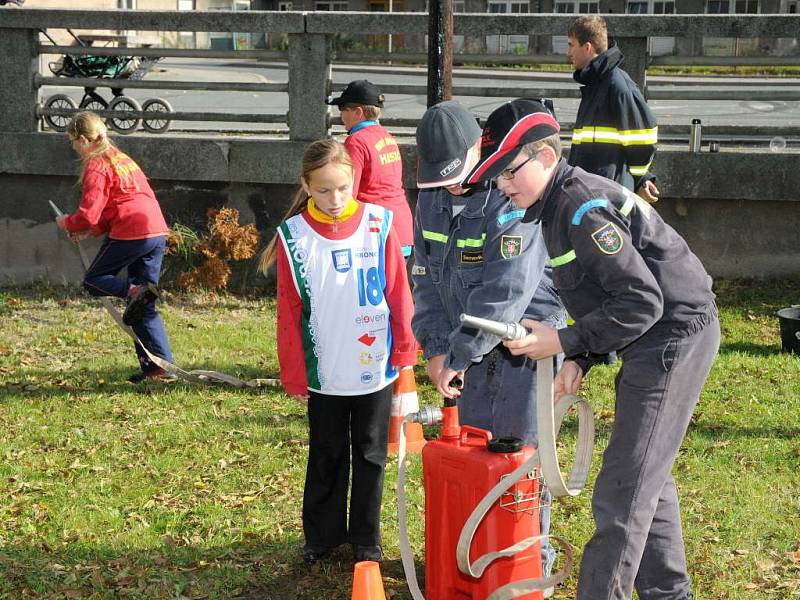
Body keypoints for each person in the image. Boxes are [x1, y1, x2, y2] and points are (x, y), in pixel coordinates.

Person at [465, 98, 720, 600]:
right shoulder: (556, 205)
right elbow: (608, 293)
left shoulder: (580, 207)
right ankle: (670, 593)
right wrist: (582, 355)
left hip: (672, 337)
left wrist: (565, 340)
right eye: (495, 177)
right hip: (650, 338)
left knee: (622, 491)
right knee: (646, 470)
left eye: (508, 172)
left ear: (543, 157)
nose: (501, 185)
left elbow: (642, 301)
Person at [412, 100, 566, 584]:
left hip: (526, 346)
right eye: (442, 179)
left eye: (457, 175)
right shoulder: (431, 198)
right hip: (466, 350)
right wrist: (437, 350)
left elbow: (506, 291)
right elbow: (425, 281)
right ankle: (478, 563)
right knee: (475, 458)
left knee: (520, 461)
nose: (452, 187)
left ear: (479, 148)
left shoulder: (510, 193)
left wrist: (456, 353)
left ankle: (527, 569)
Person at [258, 138, 417, 565]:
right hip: (324, 369)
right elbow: (288, 313)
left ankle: (366, 537)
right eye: (324, 189)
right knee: (327, 452)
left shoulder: (380, 223)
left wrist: (405, 348)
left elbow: (398, 292)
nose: (335, 199)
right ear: (306, 186)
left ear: (355, 180)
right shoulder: (293, 237)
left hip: (375, 365)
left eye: (343, 188)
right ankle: (322, 536)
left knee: (370, 452)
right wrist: (293, 371)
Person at [55, 111, 175, 384]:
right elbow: (111, 208)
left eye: (73, 141)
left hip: (132, 231)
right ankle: (159, 368)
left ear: (84, 140)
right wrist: (89, 231)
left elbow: (87, 213)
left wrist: (68, 224)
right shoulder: (121, 159)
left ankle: (134, 291)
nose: (73, 147)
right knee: (142, 306)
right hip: (155, 230)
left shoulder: (96, 166)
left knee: (94, 281)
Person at [567, 15, 660, 204]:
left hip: (609, 195)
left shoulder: (617, 84)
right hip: (592, 191)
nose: (568, 52)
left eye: (571, 45)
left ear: (587, 47)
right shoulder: (595, 83)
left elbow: (643, 139)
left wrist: (640, 179)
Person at [326, 79, 414, 258]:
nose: (340, 115)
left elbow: (349, 193)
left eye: (343, 109)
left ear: (358, 112)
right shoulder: (387, 136)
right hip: (401, 229)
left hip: (376, 233)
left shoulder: (356, 141)